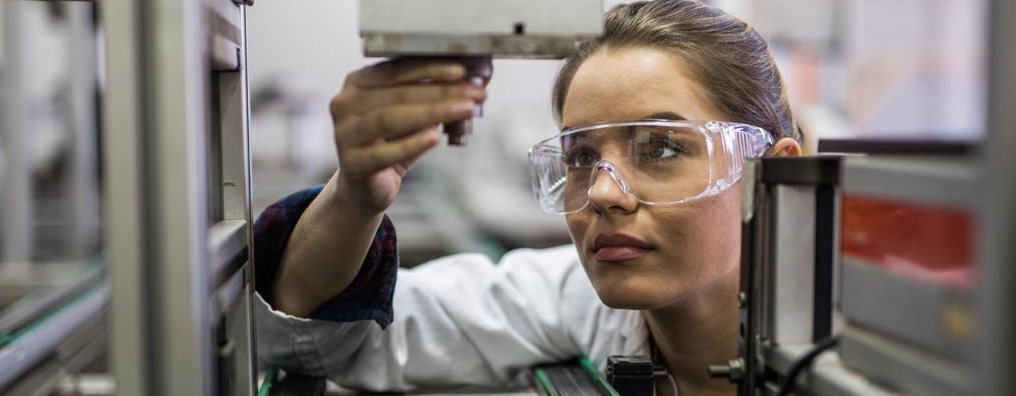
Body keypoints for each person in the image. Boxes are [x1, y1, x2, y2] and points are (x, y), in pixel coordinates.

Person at [253, 0, 803, 394]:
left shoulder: (860, 352)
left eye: (660, 147)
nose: (604, 193)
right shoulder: (572, 299)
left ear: (771, 176)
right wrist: (355, 196)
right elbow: (325, 343)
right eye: (582, 158)